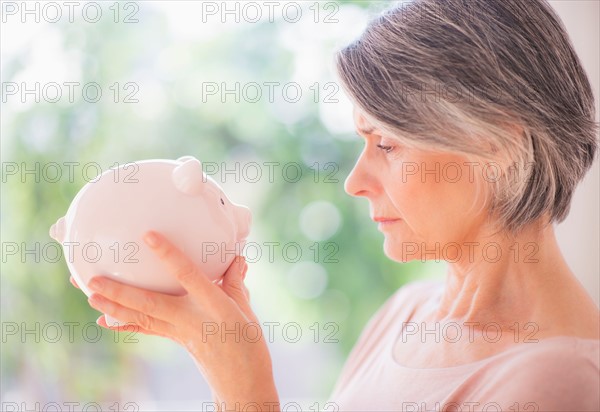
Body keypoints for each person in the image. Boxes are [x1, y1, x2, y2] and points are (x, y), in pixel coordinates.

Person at [73, 0, 599, 411]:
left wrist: (246, 391)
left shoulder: (558, 381)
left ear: (499, 148)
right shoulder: (405, 314)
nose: (354, 181)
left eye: (387, 145)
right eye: (361, 143)